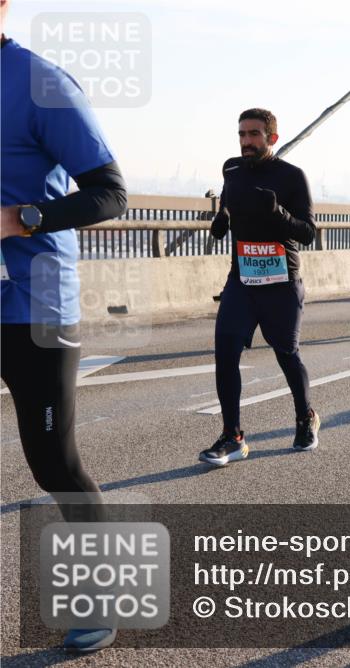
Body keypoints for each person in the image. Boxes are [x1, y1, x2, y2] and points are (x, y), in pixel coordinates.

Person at [1, 5, 127, 651]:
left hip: (33, 304)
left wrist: (21, 218)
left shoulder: (40, 83)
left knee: (54, 461)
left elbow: (109, 193)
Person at [201, 108, 320, 467]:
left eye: (254, 134)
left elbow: (309, 233)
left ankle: (305, 418)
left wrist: (278, 214)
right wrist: (221, 221)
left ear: (272, 138)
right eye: (242, 134)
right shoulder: (232, 169)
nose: (246, 141)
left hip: (281, 281)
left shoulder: (292, 176)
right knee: (225, 353)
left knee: (286, 352)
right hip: (242, 279)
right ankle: (232, 437)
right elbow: (228, 208)